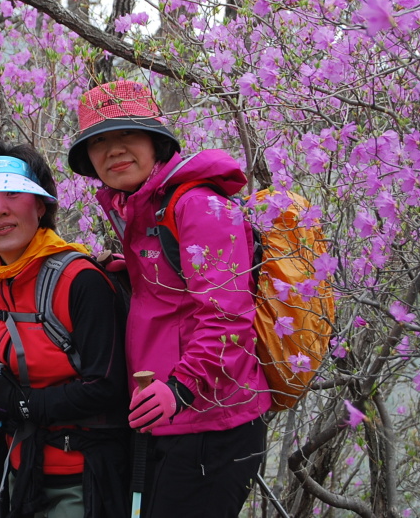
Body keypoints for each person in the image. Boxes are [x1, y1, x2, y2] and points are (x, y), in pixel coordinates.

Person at [66, 79, 271, 517]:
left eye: (127, 135)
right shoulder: (145, 208)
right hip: (169, 418)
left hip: (211, 420)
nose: (114, 150)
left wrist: (179, 389)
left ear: (156, 141)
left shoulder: (198, 205)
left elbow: (227, 318)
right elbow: (178, 291)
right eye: (99, 142)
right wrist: (131, 272)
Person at [0, 140, 130, 518]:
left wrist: (18, 404)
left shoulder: (81, 280)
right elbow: (1, 376)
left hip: (84, 477)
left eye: (14, 193)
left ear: (41, 205)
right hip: (20, 473)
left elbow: (109, 387)